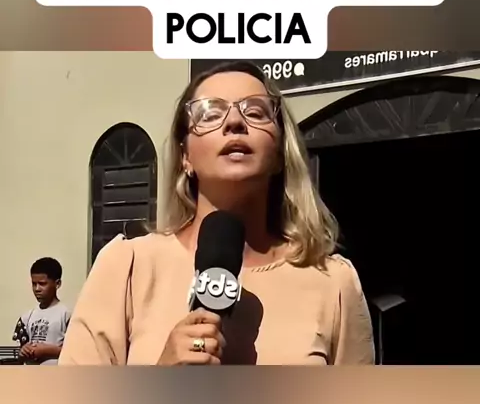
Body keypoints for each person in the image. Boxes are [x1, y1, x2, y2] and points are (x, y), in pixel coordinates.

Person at [60, 61, 374, 365]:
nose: (234, 122)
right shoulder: (127, 267)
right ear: (185, 156)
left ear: (280, 152)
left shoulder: (333, 282)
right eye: (210, 114)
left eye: (255, 112)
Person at [13, 257, 71, 365]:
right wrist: (23, 352)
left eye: (42, 284)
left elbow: (75, 352)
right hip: (32, 374)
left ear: (57, 284)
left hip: (57, 374)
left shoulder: (66, 315)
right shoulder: (27, 317)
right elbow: (19, 355)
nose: (37, 289)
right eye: (34, 284)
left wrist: (46, 351)